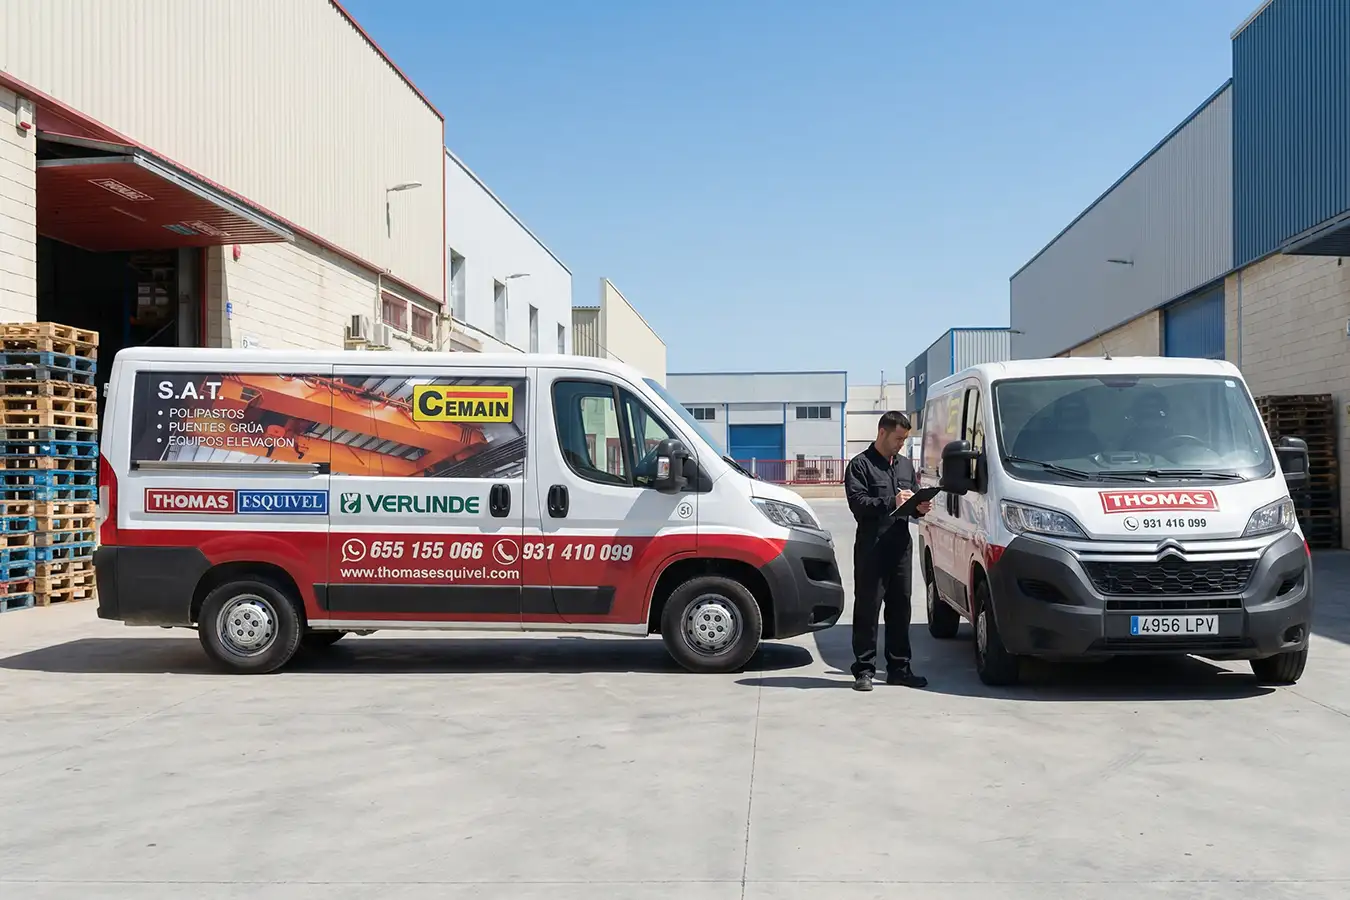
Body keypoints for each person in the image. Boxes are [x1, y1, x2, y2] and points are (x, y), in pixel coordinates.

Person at [844, 411, 932, 692]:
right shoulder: (860, 466)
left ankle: (899, 668)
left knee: (900, 609)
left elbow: (914, 494)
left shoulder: (905, 466)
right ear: (881, 432)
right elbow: (858, 504)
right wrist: (889, 500)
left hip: (900, 548)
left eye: (904, 440)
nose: (901, 445)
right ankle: (864, 670)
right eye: (898, 439)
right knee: (868, 609)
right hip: (872, 548)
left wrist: (920, 507)